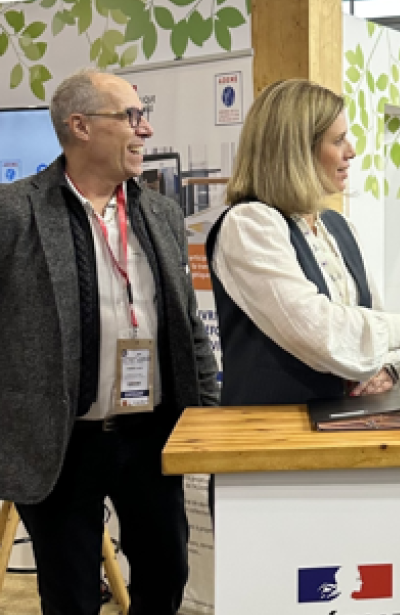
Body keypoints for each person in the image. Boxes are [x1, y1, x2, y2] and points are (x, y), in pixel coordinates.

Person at [0, 68, 220, 614]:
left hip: (149, 436)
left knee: (167, 573)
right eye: (131, 116)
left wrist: (207, 415)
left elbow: (188, 322)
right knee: (70, 594)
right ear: (80, 127)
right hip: (60, 443)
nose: (144, 131)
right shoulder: (14, 212)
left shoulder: (162, 213)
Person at [207, 78, 400, 409]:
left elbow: (371, 323)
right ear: (297, 151)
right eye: (338, 140)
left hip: (343, 432)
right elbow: (318, 330)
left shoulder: (338, 227)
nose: (351, 151)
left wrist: (388, 372)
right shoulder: (250, 224)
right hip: (273, 436)